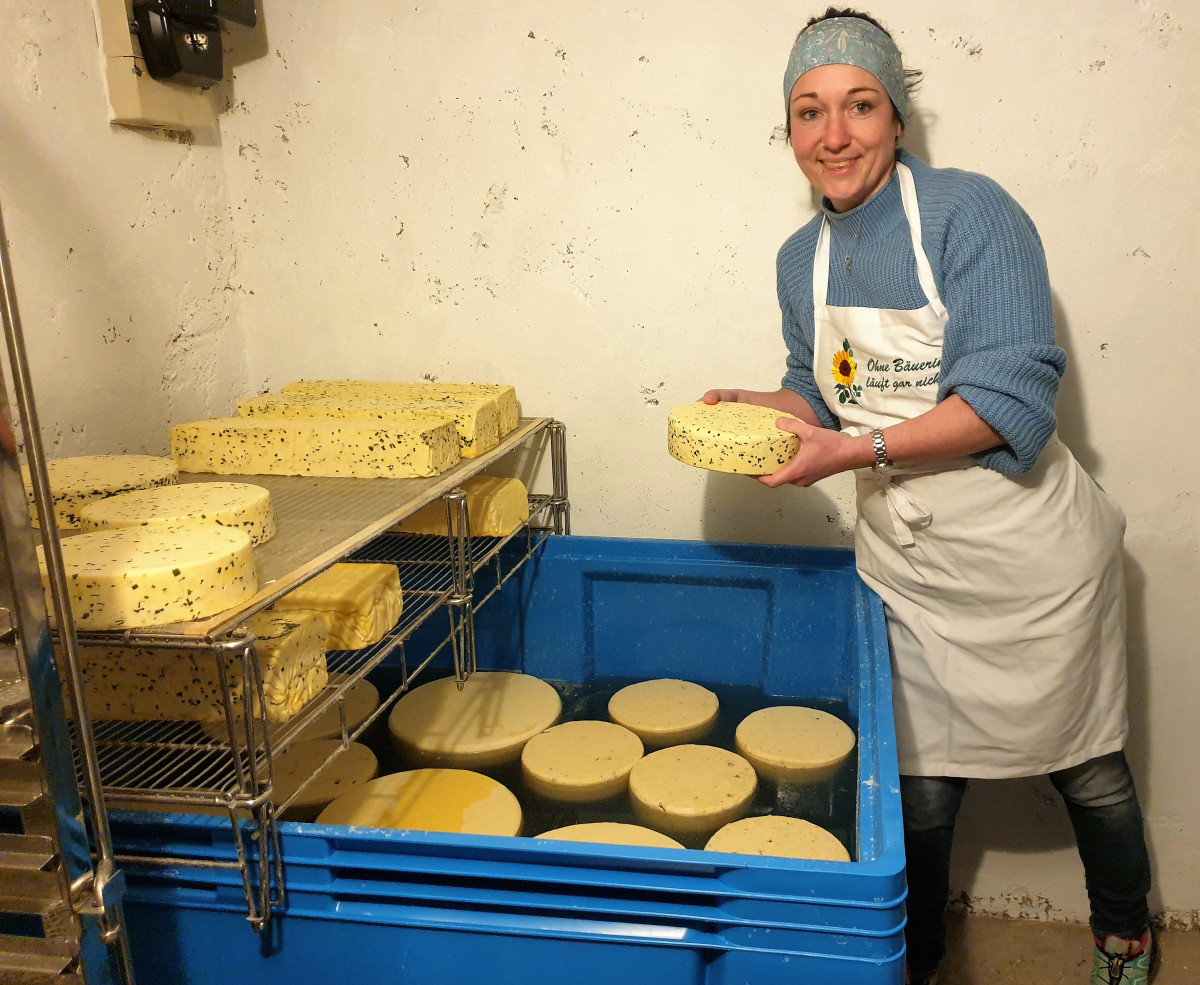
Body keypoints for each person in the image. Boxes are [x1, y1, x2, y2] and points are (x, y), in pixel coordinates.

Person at [701, 8, 1154, 984]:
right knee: (921, 791)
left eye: (859, 106)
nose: (835, 135)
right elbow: (819, 388)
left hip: (1030, 558)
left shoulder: (968, 213)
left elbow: (1004, 402)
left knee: (1089, 769)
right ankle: (916, 957)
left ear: (897, 116)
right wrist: (759, 407)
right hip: (913, 569)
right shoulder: (800, 261)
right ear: (789, 131)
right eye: (810, 111)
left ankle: (1125, 934)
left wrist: (848, 453)